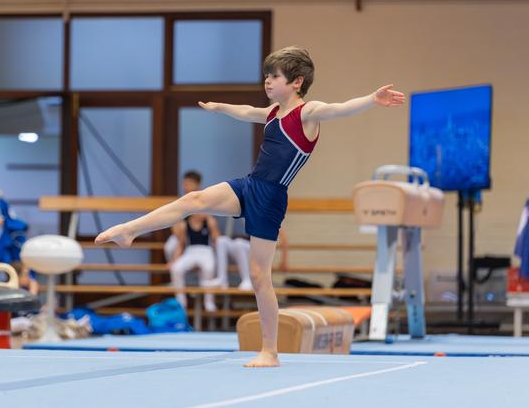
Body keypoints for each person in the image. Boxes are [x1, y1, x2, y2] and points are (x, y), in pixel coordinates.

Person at [95, 46, 405, 367]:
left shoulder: (308, 112)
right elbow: (245, 111)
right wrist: (219, 107)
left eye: (274, 77)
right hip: (250, 185)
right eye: (266, 77)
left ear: (297, 82)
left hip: (271, 197)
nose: (268, 82)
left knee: (259, 277)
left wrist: (371, 99)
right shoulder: (272, 113)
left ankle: (269, 351)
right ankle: (129, 230)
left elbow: (341, 109)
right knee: (194, 199)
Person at [164, 171, 221, 312]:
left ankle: (209, 301)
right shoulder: (182, 202)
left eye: (189, 182)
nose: (186, 185)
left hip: (205, 250)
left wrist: (217, 258)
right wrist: (174, 261)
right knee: (171, 250)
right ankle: (180, 301)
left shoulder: (206, 205)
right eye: (185, 182)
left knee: (209, 268)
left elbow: (217, 239)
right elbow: (178, 236)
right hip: (188, 244)